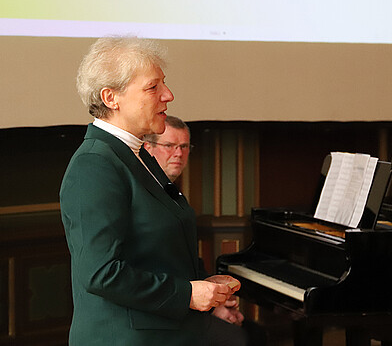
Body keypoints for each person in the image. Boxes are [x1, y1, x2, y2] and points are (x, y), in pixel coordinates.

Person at [59, 36, 249, 346]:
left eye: (164, 84)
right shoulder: (94, 164)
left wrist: (202, 286)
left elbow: (154, 252)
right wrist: (187, 294)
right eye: (152, 87)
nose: (168, 95)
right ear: (111, 97)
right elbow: (100, 273)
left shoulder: (137, 154)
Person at [144, 116, 246, 326]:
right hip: (160, 310)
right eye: (170, 145)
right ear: (148, 148)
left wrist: (217, 301)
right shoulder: (144, 194)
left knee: (249, 331)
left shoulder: (173, 194)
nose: (179, 153)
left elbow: (188, 261)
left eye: (184, 146)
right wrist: (208, 308)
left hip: (185, 299)